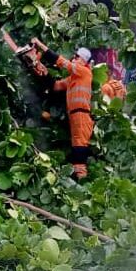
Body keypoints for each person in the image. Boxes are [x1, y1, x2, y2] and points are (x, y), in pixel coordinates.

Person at [32, 39, 93, 179]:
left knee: (79, 145)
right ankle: (80, 176)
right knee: (77, 145)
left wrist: (41, 45)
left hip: (82, 115)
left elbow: (62, 62)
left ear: (83, 61)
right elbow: (55, 86)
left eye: (77, 57)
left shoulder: (84, 72)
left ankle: (82, 177)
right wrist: (43, 70)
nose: (74, 58)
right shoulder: (73, 78)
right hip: (75, 115)